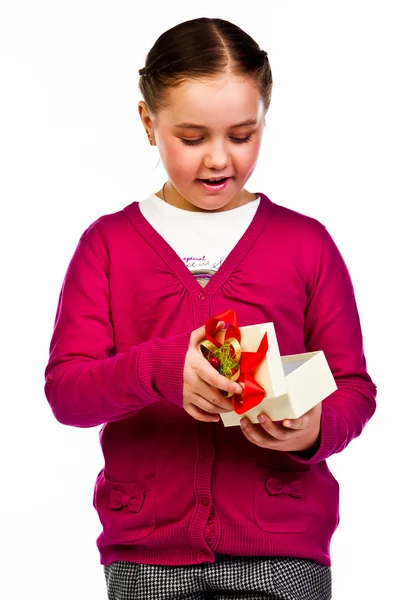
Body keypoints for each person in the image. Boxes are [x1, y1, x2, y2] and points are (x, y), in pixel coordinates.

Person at [44, 16, 377, 600]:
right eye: (193, 138)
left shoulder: (306, 244)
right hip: (148, 554)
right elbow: (67, 392)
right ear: (149, 123)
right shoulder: (108, 245)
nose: (219, 159)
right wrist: (158, 369)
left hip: (282, 549)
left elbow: (352, 386)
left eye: (243, 135)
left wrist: (312, 428)